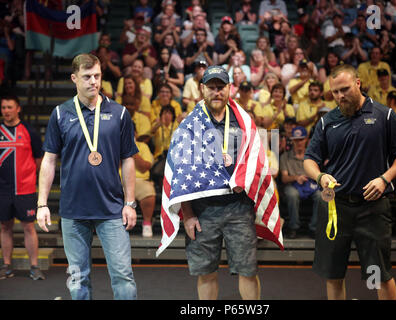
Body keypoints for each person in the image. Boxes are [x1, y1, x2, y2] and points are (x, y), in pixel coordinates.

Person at [157, 65, 282, 299]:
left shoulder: (243, 121)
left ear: (229, 89)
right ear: (202, 89)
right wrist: (188, 214)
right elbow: (181, 174)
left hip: (239, 207)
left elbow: (256, 160)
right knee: (206, 272)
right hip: (203, 210)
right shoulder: (189, 125)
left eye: (221, 87)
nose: (216, 92)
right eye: (211, 87)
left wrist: (244, 182)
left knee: (247, 270)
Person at [303, 64, 396, 300]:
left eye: (344, 89)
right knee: (333, 274)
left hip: (372, 207)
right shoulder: (327, 121)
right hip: (334, 207)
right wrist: (320, 176)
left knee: (377, 274)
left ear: (358, 83)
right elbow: (309, 160)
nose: (340, 96)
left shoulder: (384, 115)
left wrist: (385, 178)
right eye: (335, 92)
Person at [36, 54, 138, 300]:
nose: (93, 82)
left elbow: (128, 159)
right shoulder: (60, 114)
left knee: (123, 275)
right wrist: (42, 204)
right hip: (73, 210)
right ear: (74, 78)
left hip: (111, 208)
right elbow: (49, 161)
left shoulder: (119, 113)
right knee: (77, 278)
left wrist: (130, 203)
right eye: (87, 77)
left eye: (97, 76)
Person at [0, 94, 45, 281]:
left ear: (18, 108)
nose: (6, 111)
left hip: (25, 189)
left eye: (10, 107)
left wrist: (34, 178)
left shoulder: (29, 130)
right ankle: (7, 265)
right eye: (3, 108)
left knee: (29, 227)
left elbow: (40, 158)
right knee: (4, 227)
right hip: (2, 190)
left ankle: (34, 266)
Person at [280, 126, 321, 239]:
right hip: (293, 184)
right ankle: (294, 227)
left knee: (321, 196)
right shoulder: (285, 156)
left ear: (306, 140)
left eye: (301, 139)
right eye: (296, 140)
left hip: (310, 184)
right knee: (292, 194)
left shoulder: (312, 156)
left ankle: (314, 228)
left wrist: (310, 176)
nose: (298, 143)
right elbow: (284, 178)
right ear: (292, 140)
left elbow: (318, 173)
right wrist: (296, 178)